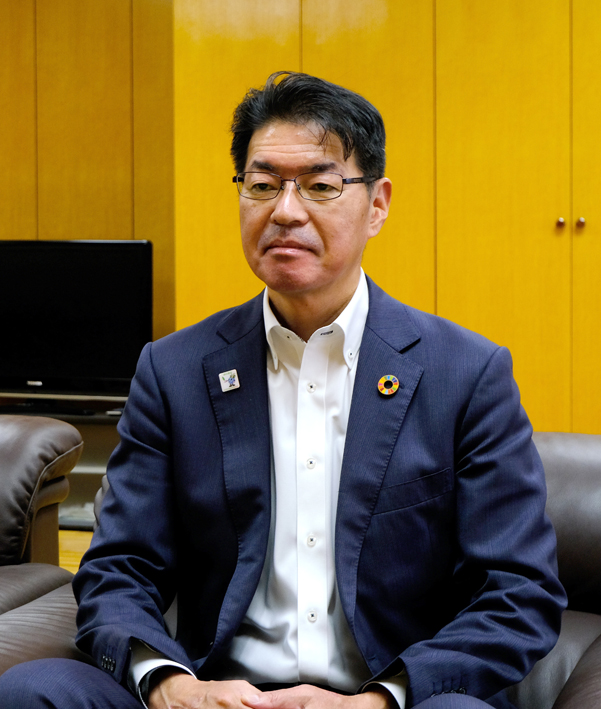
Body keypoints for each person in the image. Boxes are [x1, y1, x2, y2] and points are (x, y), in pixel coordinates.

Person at [0, 72, 565, 709]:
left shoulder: (465, 374)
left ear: (377, 205)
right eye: (263, 185)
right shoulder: (173, 370)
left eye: (321, 186)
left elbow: (518, 593)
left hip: (390, 697)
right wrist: (169, 684)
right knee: (33, 692)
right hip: (217, 692)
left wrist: (382, 699)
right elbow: (119, 568)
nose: (285, 212)